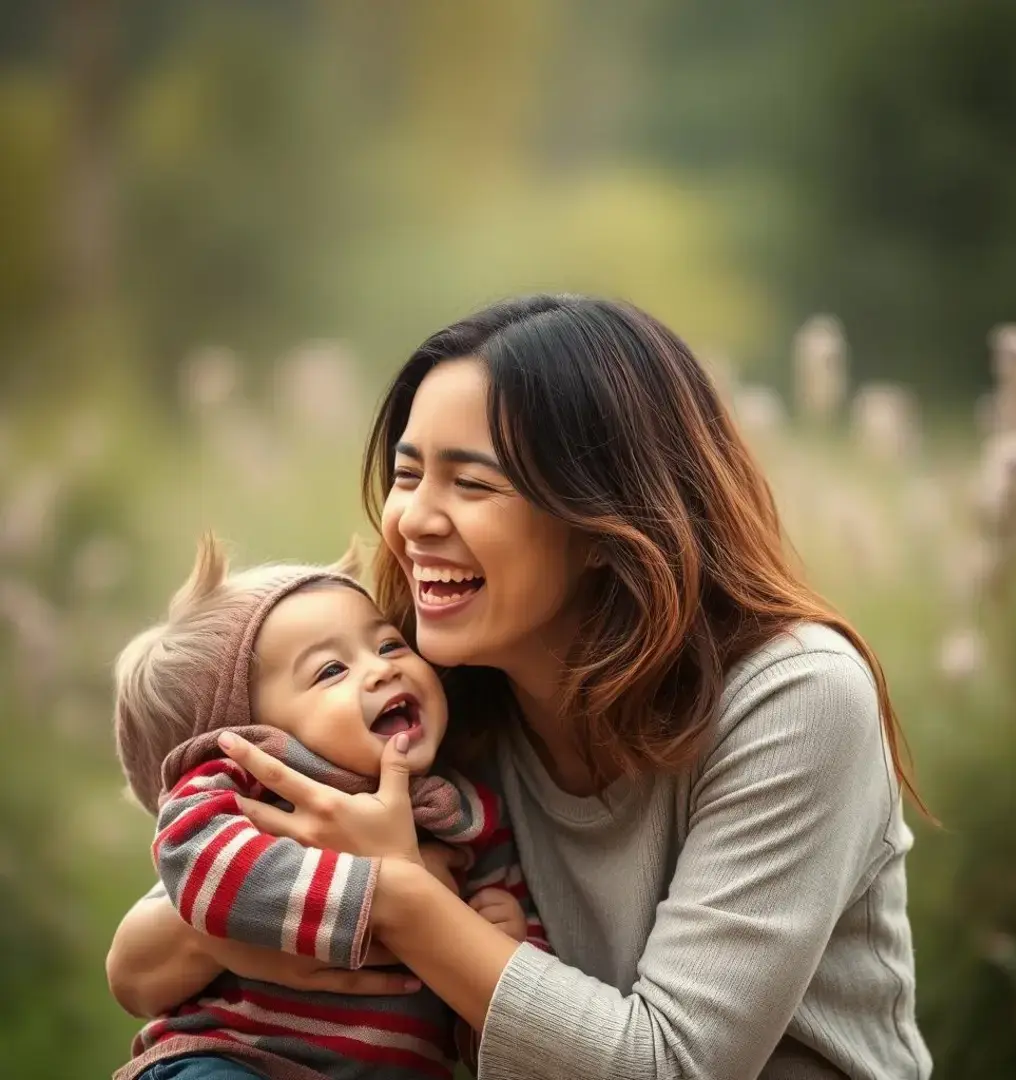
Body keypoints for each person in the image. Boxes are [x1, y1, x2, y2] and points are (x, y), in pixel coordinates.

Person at [108, 294, 933, 1079]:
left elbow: (672, 1066)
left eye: (471, 484)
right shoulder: (438, 696)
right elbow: (139, 963)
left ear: (611, 526)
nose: (415, 521)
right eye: (407, 475)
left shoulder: (797, 700)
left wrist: (400, 898)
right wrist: (285, 908)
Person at [111, 535, 542, 1080]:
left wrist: (506, 941)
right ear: (251, 728)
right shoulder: (255, 788)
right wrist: (373, 899)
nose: (383, 670)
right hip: (235, 1059)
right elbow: (193, 860)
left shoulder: (463, 810)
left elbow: (514, 1022)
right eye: (330, 671)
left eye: (388, 645)